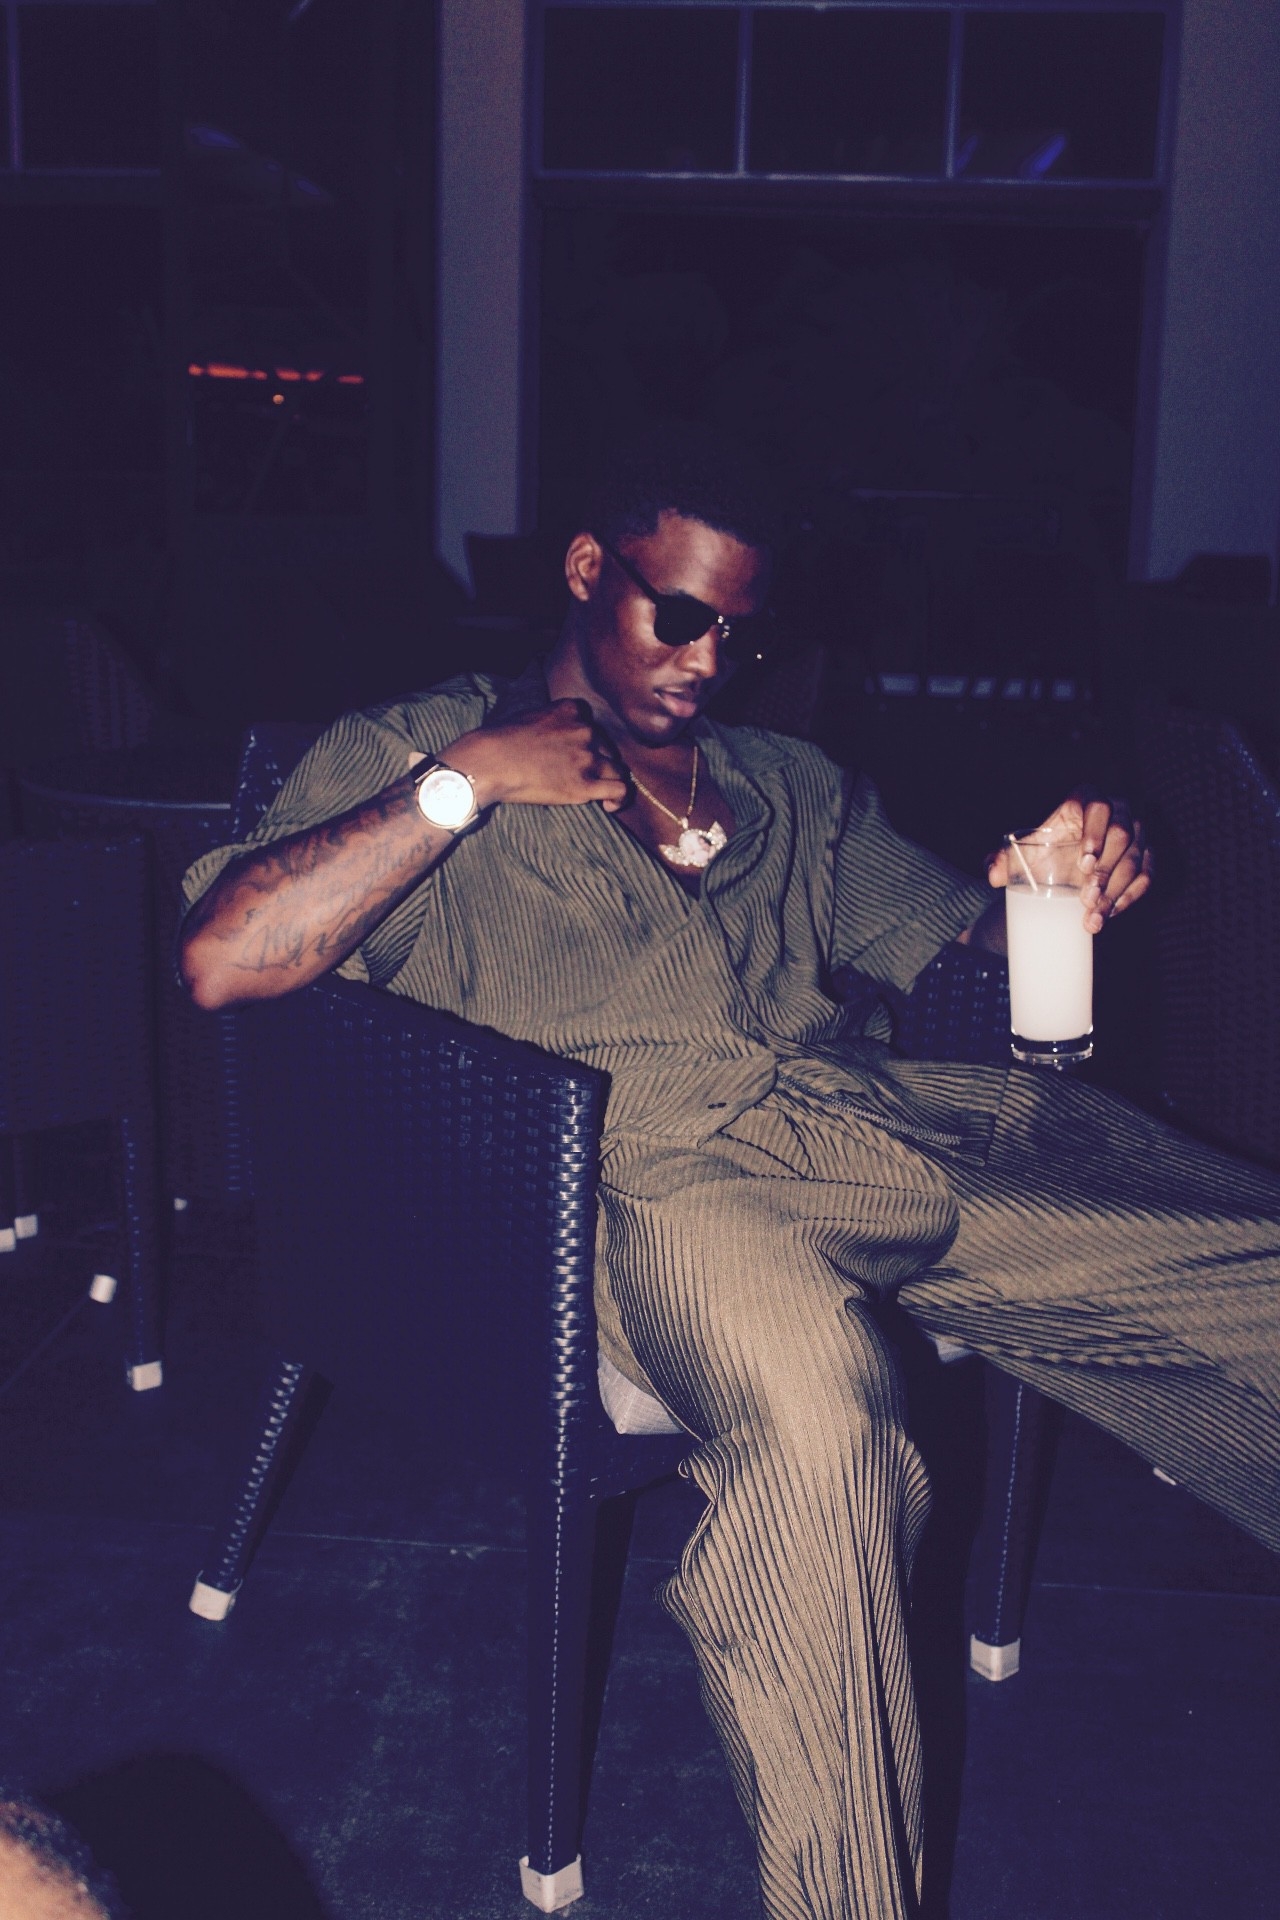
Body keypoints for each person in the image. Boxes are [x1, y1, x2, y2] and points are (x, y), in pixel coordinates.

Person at [180, 423, 1280, 1920]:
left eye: (737, 634)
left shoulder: (788, 784)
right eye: (679, 614)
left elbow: (959, 941)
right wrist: (459, 788)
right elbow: (226, 958)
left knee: (1241, 1257)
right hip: (650, 1180)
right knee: (825, 1430)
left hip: (877, 1126)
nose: (707, 661)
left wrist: (1052, 883)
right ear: (589, 567)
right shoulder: (431, 742)